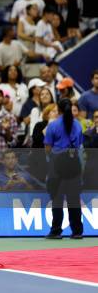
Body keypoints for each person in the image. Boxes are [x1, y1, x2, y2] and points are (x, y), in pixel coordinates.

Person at [44, 98, 84, 239]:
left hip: (57, 165)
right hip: (74, 164)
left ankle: (56, 231)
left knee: (57, 199)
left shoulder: (53, 125)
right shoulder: (78, 125)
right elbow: (79, 145)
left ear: (58, 109)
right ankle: (77, 232)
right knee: (74, 199)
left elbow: (47, 148)